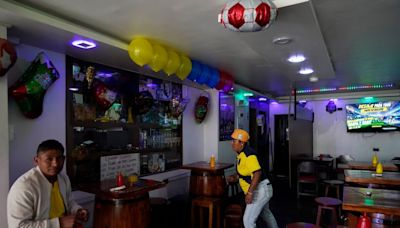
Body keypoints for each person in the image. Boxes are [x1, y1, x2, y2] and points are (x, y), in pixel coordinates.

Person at [7, 139, 89, 228]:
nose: (55, 164)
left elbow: (69, 202)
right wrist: (59, 223)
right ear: (36, 160)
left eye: (59, 158)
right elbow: (19, 226)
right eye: (49, 159)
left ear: (64, 159)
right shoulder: (24, 187)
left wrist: (77, 210)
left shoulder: (63, 178)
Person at [230, 129, 278, 228]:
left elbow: (257, 173)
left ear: (242, 143)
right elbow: (246, 172)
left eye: (234, 141)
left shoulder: (249, 155)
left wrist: (250, 193)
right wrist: (236, 177)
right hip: (262, 188)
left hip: (260, 190)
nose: (232, 143)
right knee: (266, 214)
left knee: (248, 220)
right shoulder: (241, 154)